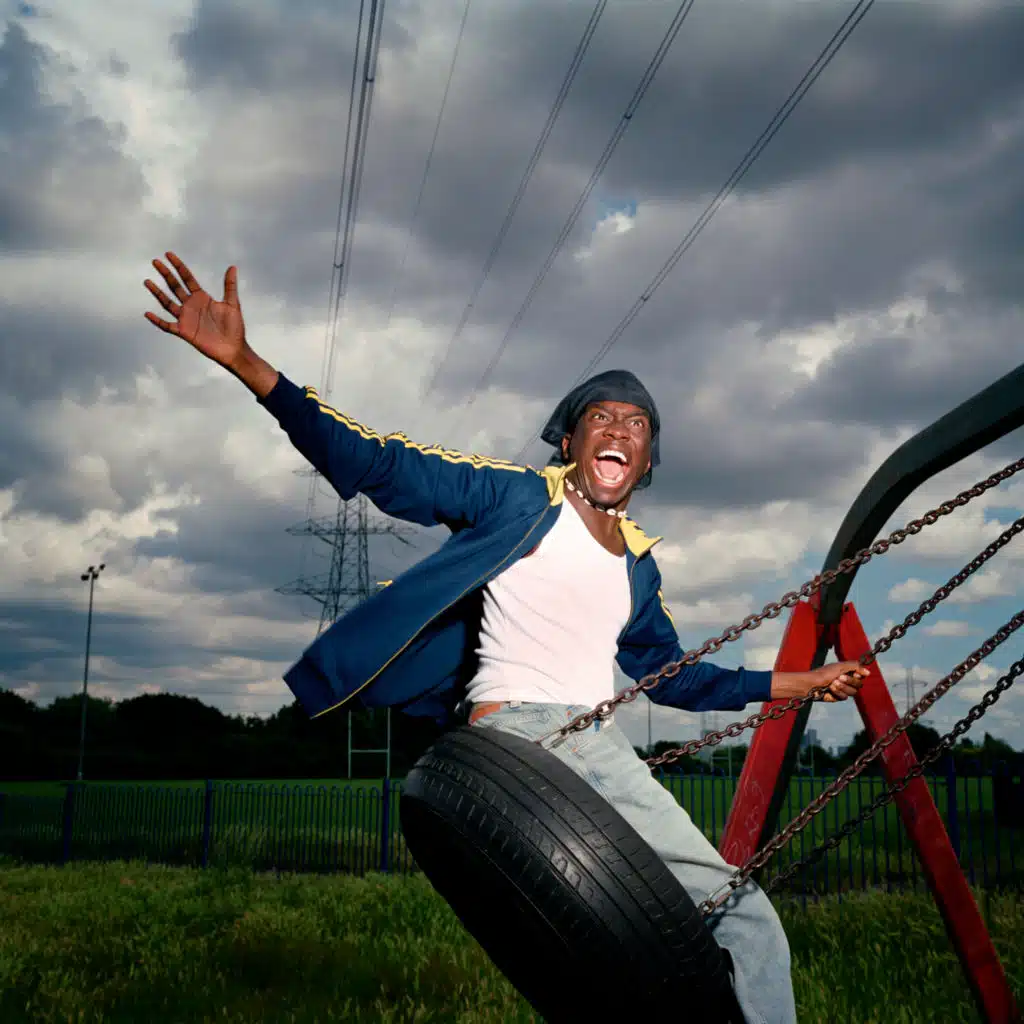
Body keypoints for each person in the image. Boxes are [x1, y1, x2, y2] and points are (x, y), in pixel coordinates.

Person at [144, 252, 868, 1024]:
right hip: (515, 733)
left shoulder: (638, 567)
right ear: (571, 443)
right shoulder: (515, 497)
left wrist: (798, 683)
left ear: (647, 460)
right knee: (617, 929)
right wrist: (249, 365)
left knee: (739, 918)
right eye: (601, 417)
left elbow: (676, 679)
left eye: (637, 425)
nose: (619, 429)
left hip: (602, 748)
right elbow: (377, 465)